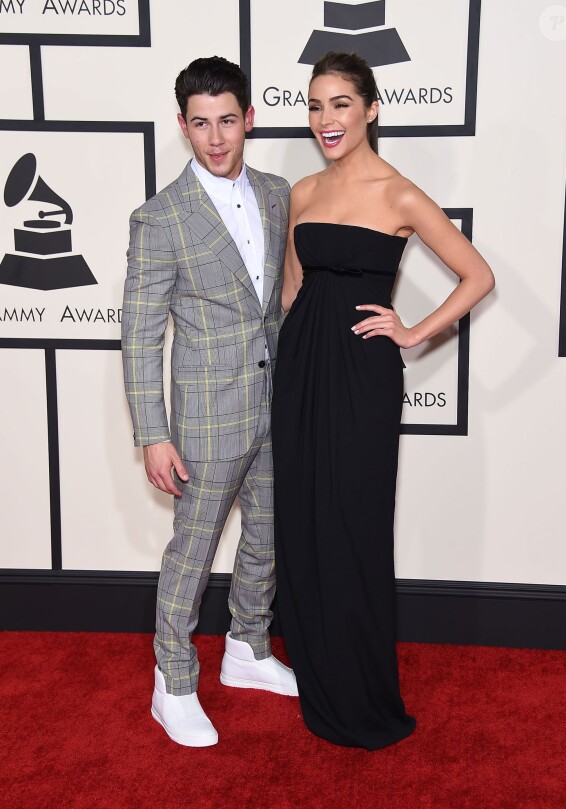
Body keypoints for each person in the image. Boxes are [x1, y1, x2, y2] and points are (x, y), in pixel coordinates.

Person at [272, 52, 495, 751]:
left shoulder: (399, 193)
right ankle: (317, 669)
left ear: (370, 108)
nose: (326, 119)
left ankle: (362, 691)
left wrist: (413, 329)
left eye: (340, 103)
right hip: (301, 367)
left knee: (356, 523)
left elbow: (477, 274)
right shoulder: (302, 192)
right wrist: (285, 356)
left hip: (362, 374)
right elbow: (289, 291)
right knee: (304, 518)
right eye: (315, 105)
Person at [121, 56, 297, 749]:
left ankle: (248, 647)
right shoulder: (160, 217)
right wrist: (152, 432)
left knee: (268, 534)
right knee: (191, 552)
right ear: (183, 126)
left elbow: (280, 296)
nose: (217, 137)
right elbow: (139, 332)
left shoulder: (279, 191)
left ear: (248, 118)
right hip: (205, 414)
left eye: (228, 120)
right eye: (201, 124)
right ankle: (174, 681)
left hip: (275, 399)